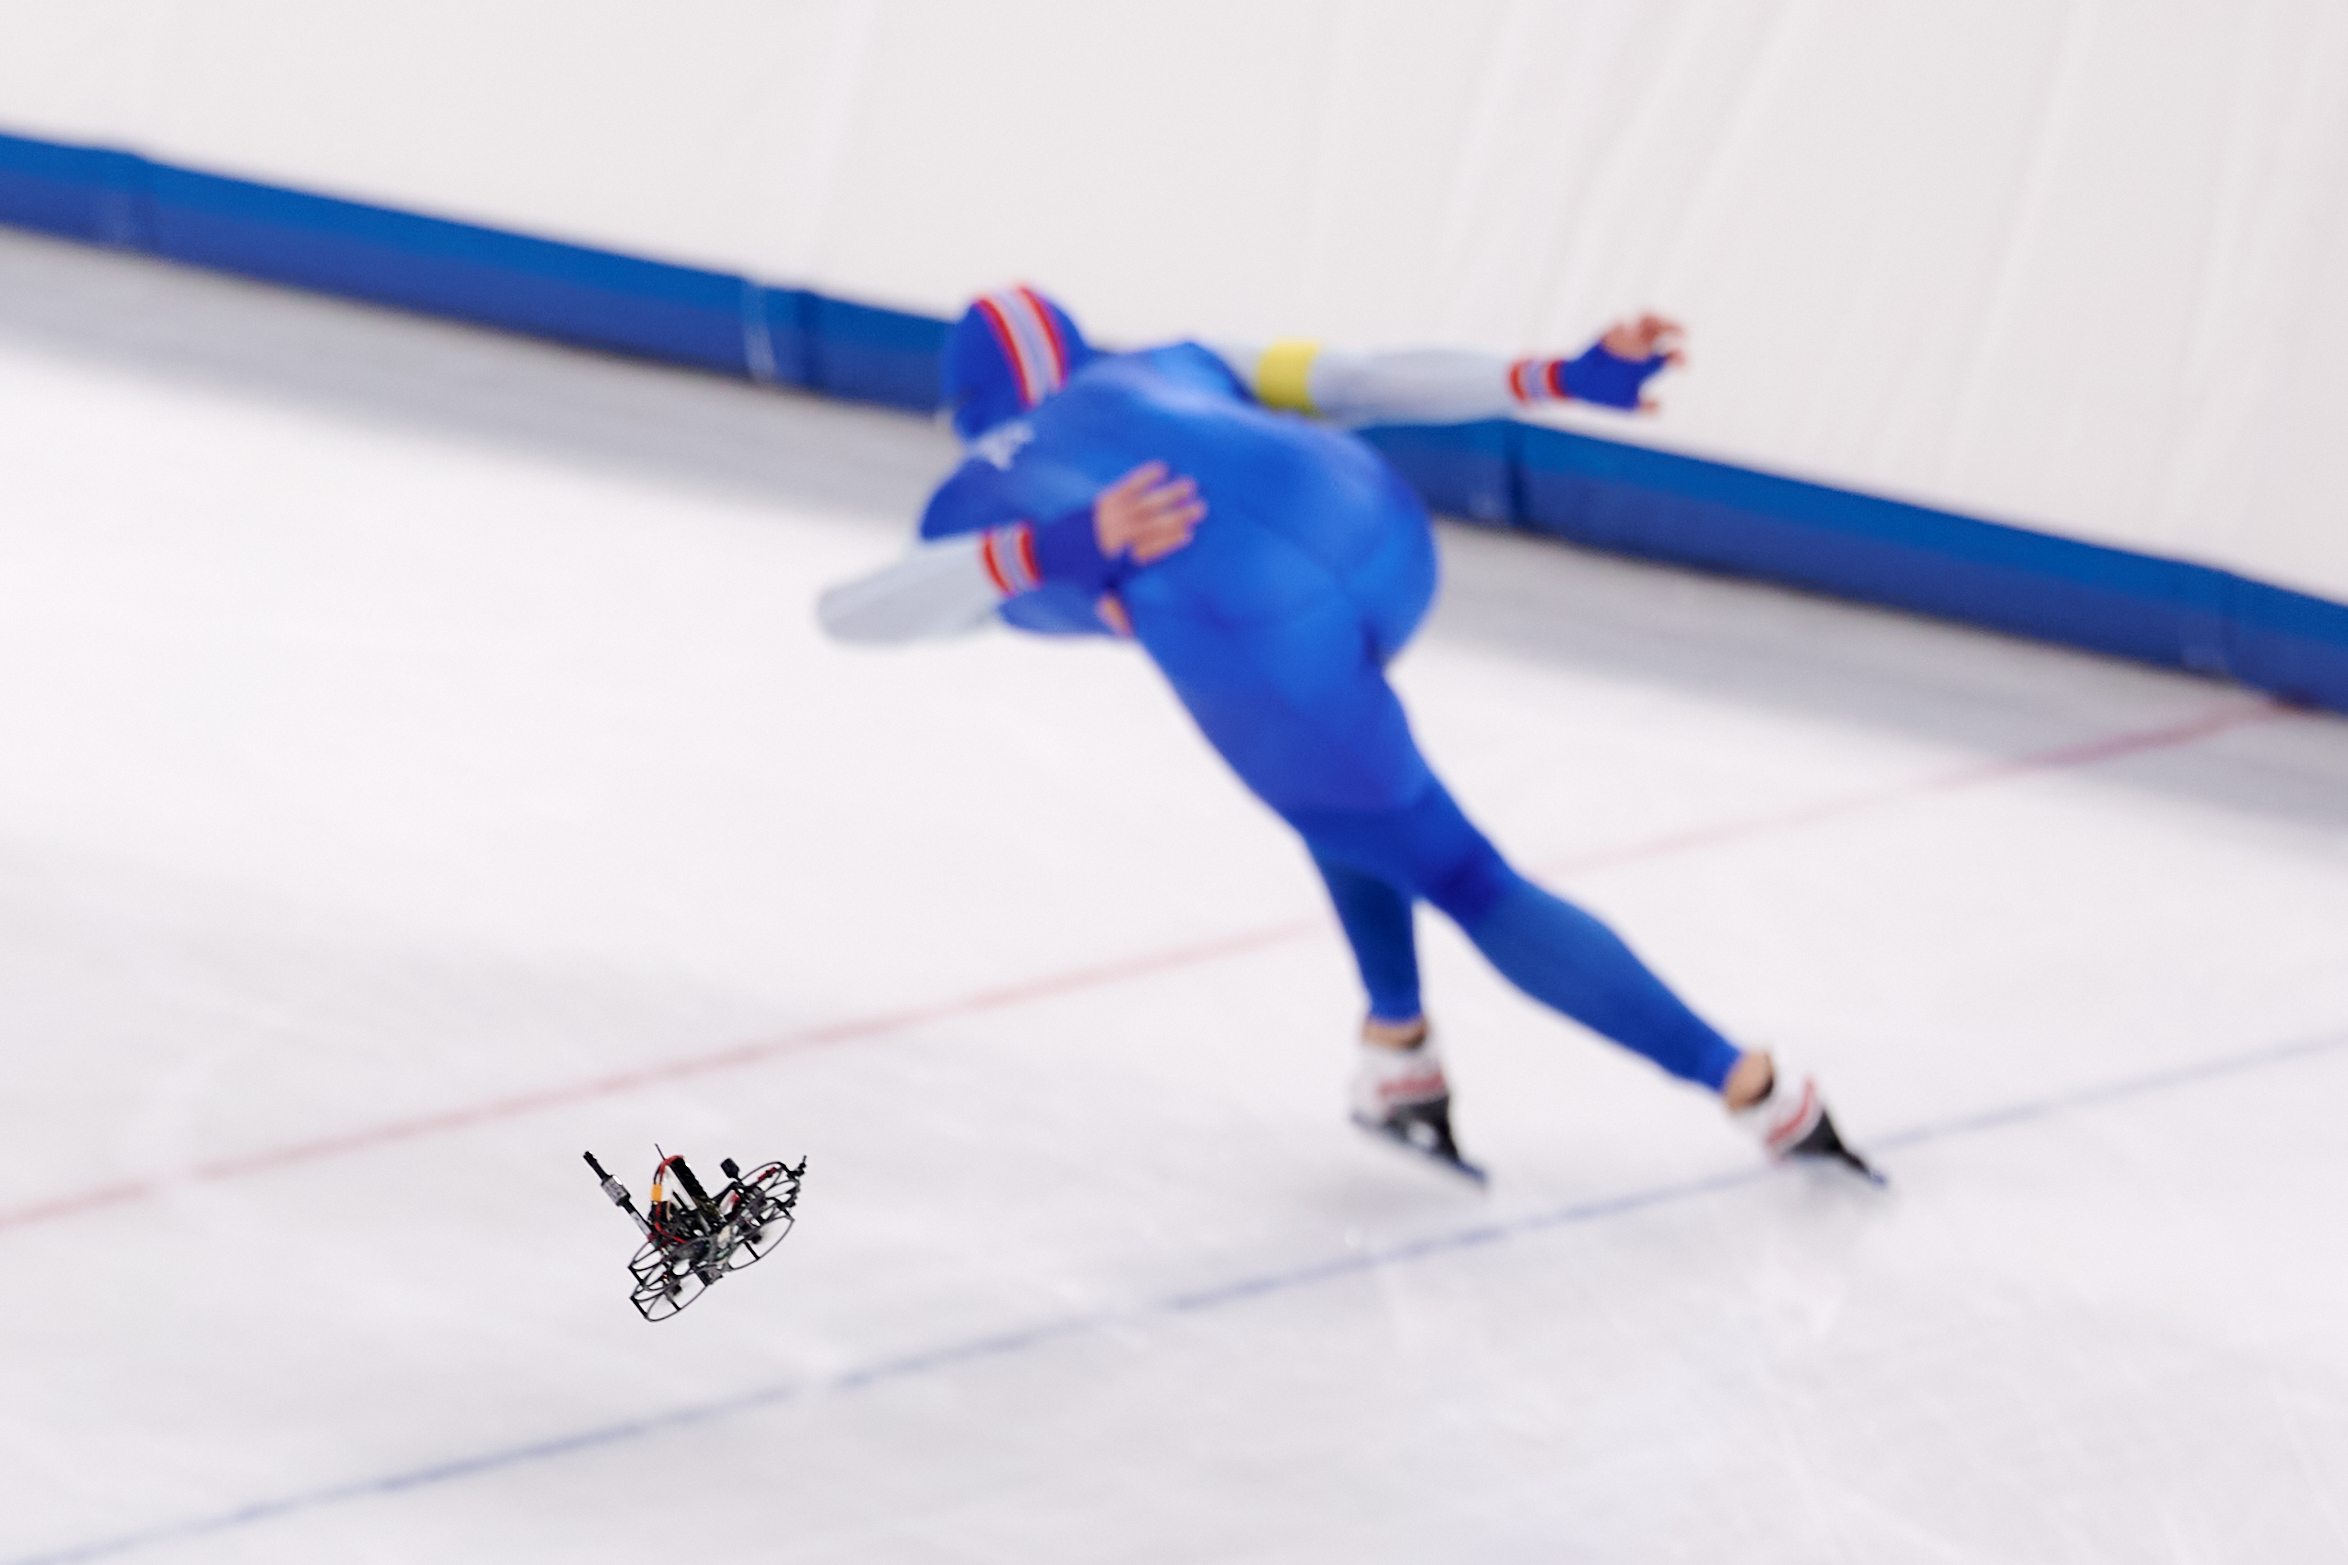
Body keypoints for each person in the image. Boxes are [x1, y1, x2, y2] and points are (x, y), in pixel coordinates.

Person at [819, 285, 1873, 1182]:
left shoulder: (977, 492)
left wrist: (1058, 545)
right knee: (1341, 797)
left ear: (967, 408)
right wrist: (1552, 376)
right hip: (1382, 534)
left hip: (1260, 628)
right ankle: (1397, 1046)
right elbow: (1364, 378)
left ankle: (1754, 1088)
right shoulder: (1175, 361)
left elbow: (853, 613)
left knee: (1458, 871)